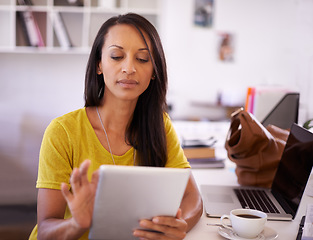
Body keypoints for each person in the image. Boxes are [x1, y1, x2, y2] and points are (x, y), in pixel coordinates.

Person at [29, 13, 203, 240]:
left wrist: (178, 225)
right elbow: (45, 231)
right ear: (99, 65)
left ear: (153, 72)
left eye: (142, 59)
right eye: (116, 56)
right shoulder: (62, 132)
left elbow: (193, 198)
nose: (129, 68)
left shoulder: (159, 125)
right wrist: (77, 224)